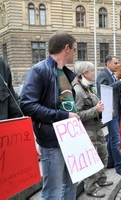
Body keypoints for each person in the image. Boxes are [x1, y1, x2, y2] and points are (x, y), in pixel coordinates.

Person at [20, 31, 79, 199]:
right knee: (52, 191)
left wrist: (74, 116)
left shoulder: (65, 73)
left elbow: (67, 104)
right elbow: (27, 106)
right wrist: (63, 116)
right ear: (66, 48)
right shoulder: (39, 70)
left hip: (71, 137)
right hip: (52, 141)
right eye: (74, 49)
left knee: (71, 184)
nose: (75, 52)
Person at [73, 61, 113, 198]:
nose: (93, 73)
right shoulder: (78, 91)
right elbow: (77, 115)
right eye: (91, 71)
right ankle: (90, 188)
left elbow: (96, 106)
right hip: (88, 130)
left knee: (103, 155)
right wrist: (95, 110)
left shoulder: (88, 88)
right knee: (91, 161)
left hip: (97, 128)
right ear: (84, 73)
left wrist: (105, 110)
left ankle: (101, 179)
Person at [96, 55, 121, 178]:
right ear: (108, 63)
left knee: (112, 138)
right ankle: (119, 167)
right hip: (109, 112)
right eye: (115, 63)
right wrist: (119, 82)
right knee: (115, 139)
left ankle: (110, 162)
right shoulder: (102, 75)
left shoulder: (112, 74)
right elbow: (104, 91)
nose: (118, 65)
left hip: (116, 110)